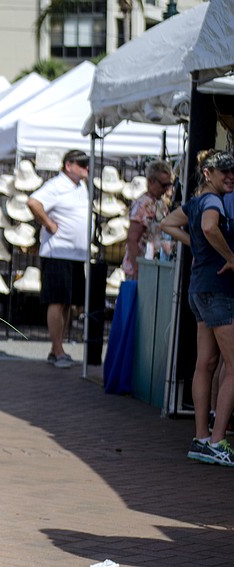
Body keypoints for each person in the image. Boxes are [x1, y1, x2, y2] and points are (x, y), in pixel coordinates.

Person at [161, 149, 234, 466]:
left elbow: (167, 223)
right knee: (232, 367)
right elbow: (207, 227)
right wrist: (230, 256)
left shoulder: (194, 201)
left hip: (199, 289)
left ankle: (202, 438)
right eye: (224, 173)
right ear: (208, 174)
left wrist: (200, 244)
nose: (230, 177)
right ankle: (217, 441)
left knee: (205, 363)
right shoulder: (213, 202)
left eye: (233, 173)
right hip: (217, 291)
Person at [26, 149, 90, 369]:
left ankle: (56, 349)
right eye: (81, 164)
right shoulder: (56, 184)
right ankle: (58, 349)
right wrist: (49, 224)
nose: (86, 168)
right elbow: (33, 202)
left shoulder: (80, 186)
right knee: (57, 301)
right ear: (68, 165)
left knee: (67, 303)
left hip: (74, 255)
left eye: (87, 164)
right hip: (58, 253)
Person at [123, 160, 174, 279]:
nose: (166, 189)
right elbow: (132, 239)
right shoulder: (142, 205)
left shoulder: (160, 203)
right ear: (150, 181)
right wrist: (137, 270)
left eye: (168, 185)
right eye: (163, 185)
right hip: (141, 268)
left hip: (154, 265)